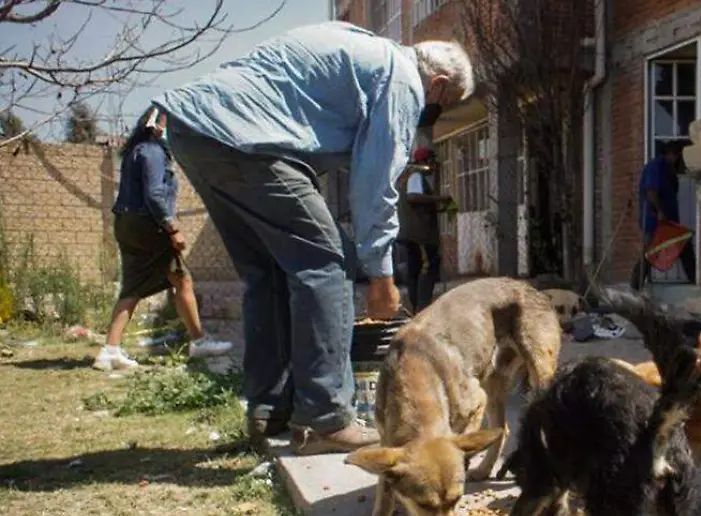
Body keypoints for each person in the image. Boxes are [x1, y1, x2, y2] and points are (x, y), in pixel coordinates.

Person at [151, 22, 474, 454]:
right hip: (249, 139)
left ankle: (269, 408)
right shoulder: (402, 81)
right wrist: (381, 276)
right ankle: (326, 418)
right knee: (327, 262)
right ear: (436, 84)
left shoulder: (364, 50)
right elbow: (375, 185)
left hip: (196, 128)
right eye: (444, 105)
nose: (433, 116)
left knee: (266, 270)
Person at [94, 107, 232, 371]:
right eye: (170, 124)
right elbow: (155, 195)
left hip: (128, 223)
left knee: (135, 286)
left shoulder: (136, 151)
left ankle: (110, 349)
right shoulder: (153, 152)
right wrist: (172, 228)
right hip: (150, 225)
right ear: (156, 125)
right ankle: (199, 341)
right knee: (183, 278)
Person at [633, 140, 695, 290]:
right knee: (649, 253)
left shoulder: (669, 171)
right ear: (674, 155)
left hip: (669, 221)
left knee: (684, 246)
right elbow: (651, 191)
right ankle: (635, 286)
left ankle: (694, 279)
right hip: (655, 220)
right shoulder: (656, 167)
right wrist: (660, 211)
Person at [401, 145, 453, 314]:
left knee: (416, 268)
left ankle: (418, 308)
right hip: (420, 234)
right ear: (424, 161)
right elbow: (413, 197)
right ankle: (422, 308)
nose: (434, 165)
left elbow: (419, 205)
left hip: (416, 232)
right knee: (427, 265)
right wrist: (440, 198)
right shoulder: (416, 175)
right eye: (432, 160)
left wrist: (438, 208)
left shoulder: (414, 176)